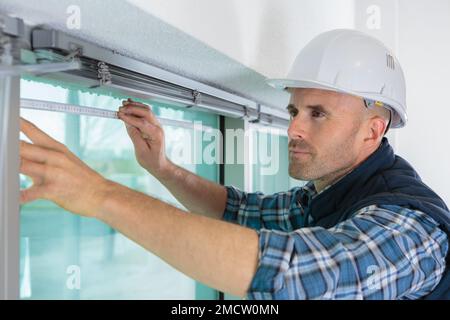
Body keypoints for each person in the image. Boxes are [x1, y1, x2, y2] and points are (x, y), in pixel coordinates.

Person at [19, 29, 449, 299]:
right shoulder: (330, 192)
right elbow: (240, 210)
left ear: (372, 131)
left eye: (317, 113)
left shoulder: (409, 228)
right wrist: (163, 168)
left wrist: (101, 196)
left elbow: (295, 278)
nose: (293, 129)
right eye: (294, 111)